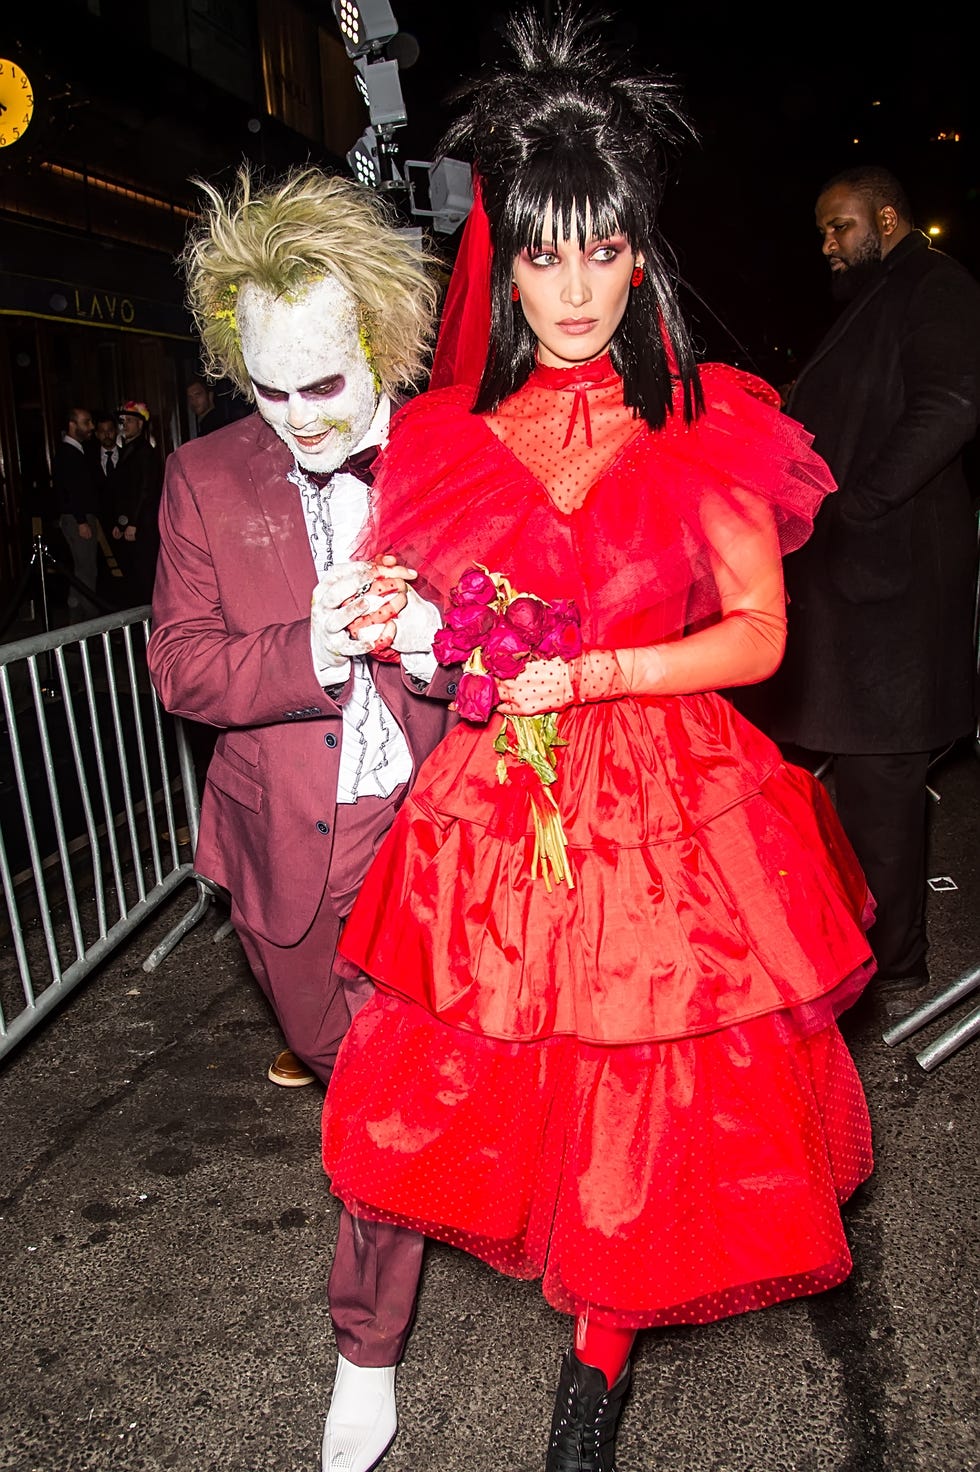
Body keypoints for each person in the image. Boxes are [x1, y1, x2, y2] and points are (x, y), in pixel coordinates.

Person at [320, 9, 877, 1470]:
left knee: (643, 1081)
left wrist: (596, 675)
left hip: (662, 797)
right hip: (504, 809)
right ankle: (553, 1299)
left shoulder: (704, 429)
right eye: (545, 252)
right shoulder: (451, 436)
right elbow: (443, 618)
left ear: (642, 256)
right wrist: (397, 611)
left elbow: (756, 636)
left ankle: (597, 1366)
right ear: (507, 260)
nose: (574, 289)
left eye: (603, 249)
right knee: (521, 1075)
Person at [145, 165, 457, 1472]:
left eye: (323, 384)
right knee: (365, 1096)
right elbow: (180, 666)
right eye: (267, 390)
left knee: (385, 1117)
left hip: (439, 840)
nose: (295, 420)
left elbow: (539, 645)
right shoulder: (206, 477)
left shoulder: (461, 457)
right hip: (280, 860)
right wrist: (304, 648)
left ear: (379, 340)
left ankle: (365, 1350)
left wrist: (443, 640)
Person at [736, 165, 980, 1007]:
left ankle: (895, 962)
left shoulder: (937, 286)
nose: (828, 246)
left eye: (839, 227)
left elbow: (950, 403)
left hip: (896, 581)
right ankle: (862, 943)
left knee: (882, 778)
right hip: (856, 585)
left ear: (886, 216)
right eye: (821, 232)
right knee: (847, 771)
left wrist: (857, 505)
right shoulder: (878, 297)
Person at [109, 399, 164, 607]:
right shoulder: (126, 450)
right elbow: (122, 492)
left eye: (130, 421)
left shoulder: (145, 451)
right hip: (129, 524)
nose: (125, 425)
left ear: (140, 424)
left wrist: (133, 523)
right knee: (131, 574)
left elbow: (146, 490)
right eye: (124, 421)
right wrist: (119, 522)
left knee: (144, 575)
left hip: (141, 524)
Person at [52, 405, 100, 621]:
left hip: (79, 517)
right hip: (77, 518)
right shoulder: (67, 453)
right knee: (86, 571)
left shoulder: (78, 450)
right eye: (86, 422)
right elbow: (70, 490)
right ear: (72, 425)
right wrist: (81, 520)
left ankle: (76, 620)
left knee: (83, 569)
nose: (91, 426)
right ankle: (93, 621)